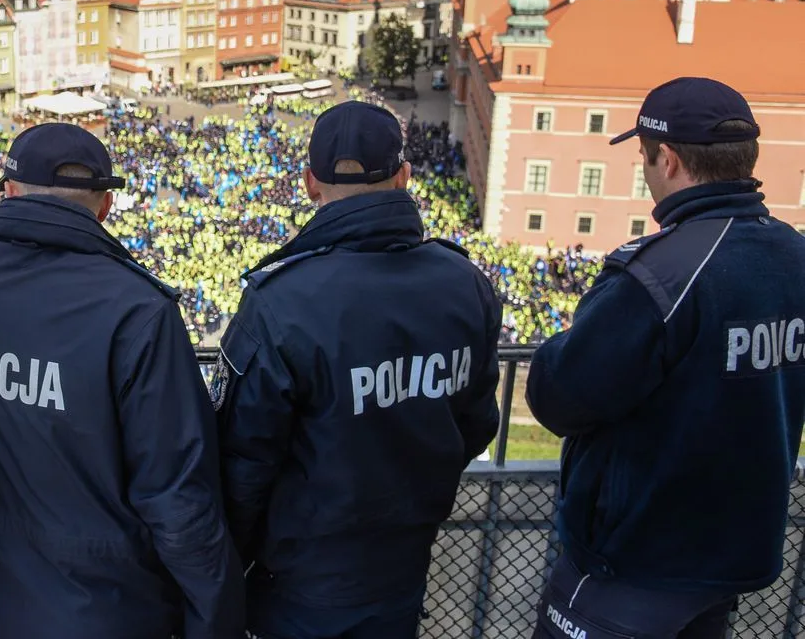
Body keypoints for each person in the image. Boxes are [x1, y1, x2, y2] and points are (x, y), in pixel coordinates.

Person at [0, 122, 244, 639]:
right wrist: (217, 618)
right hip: (114, 600)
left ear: (7, 192)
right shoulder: (137, 307)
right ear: (105, 207)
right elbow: (177, 495)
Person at [527, 77, 805, 639]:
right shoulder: (796, 255)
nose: (647, 172)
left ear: (670, 160)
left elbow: (559, 397)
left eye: (645, 159)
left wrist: (568, 338)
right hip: (729, 557)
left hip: (634, 564)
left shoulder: (662, 271)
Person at [216, 101, 501, 639]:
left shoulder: (283, 300)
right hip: (404, 558)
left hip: (301, 580)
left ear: (308, 183)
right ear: (404, 177)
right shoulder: (465, 283)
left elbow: (242, 463)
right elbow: (477, 423)